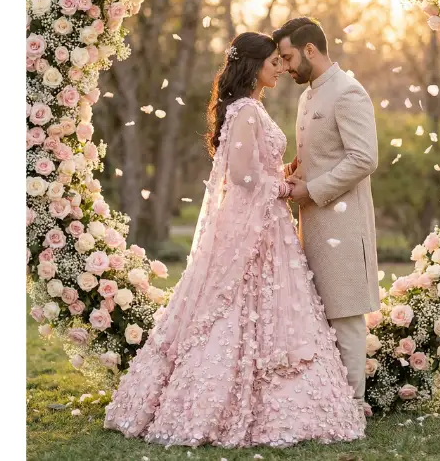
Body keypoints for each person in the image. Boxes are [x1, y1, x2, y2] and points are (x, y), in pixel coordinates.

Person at [103, 31, 365, 448]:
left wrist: (281, 172)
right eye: (273, 62)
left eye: (283, 60)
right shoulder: (245, 110)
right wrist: (281, 188)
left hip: (268, 223)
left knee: (271, 309)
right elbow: (242, 176)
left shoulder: (251, 109)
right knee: (244, 308)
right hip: (261, 224)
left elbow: (252, 167)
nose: (280, 67)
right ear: (255, 66)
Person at [272, 17, 381, 416]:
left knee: (346, 313)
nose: (284, 67)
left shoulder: (348, 93)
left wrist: (313, 190)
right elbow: (321, 155)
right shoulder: (307, 97)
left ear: (310, 50)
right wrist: (290, 175)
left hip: (342, 223)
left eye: (287, 57)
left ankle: (352, 406)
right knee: (319, 314)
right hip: (311, 224)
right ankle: (327, 401)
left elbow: (364, 158)